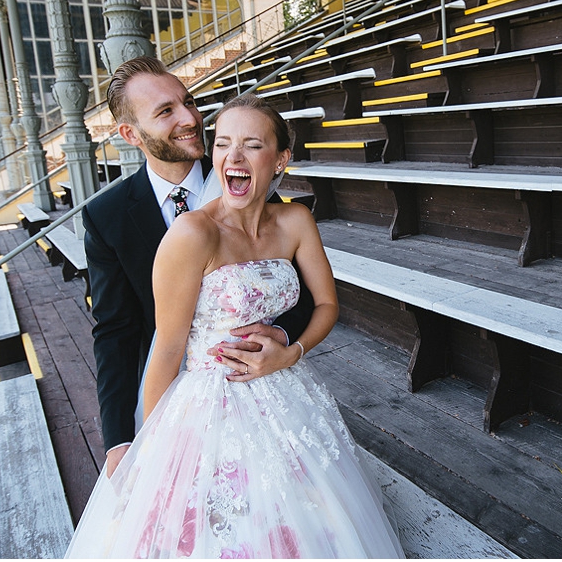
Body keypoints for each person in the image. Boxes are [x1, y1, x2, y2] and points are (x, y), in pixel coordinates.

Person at [66, 94, 405, 558]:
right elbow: (166, 348)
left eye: (251, 145)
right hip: (208, 402)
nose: (234, 157)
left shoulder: (295, 220)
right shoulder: (191, 234)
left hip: (287, 389)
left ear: (281, 158)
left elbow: (326, 304)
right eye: (223, 144)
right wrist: (147, 448)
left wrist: (292, 350)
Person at [83, 57, 313, 478]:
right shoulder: (107, 216)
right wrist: (120, 438)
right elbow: (114, 331)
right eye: (166, 111)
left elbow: (297, 289)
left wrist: (278, 338)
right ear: (130, 134)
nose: (190, 118)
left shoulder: (243, 176)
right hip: (169, 397)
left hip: (255, 388)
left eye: (188, 101)